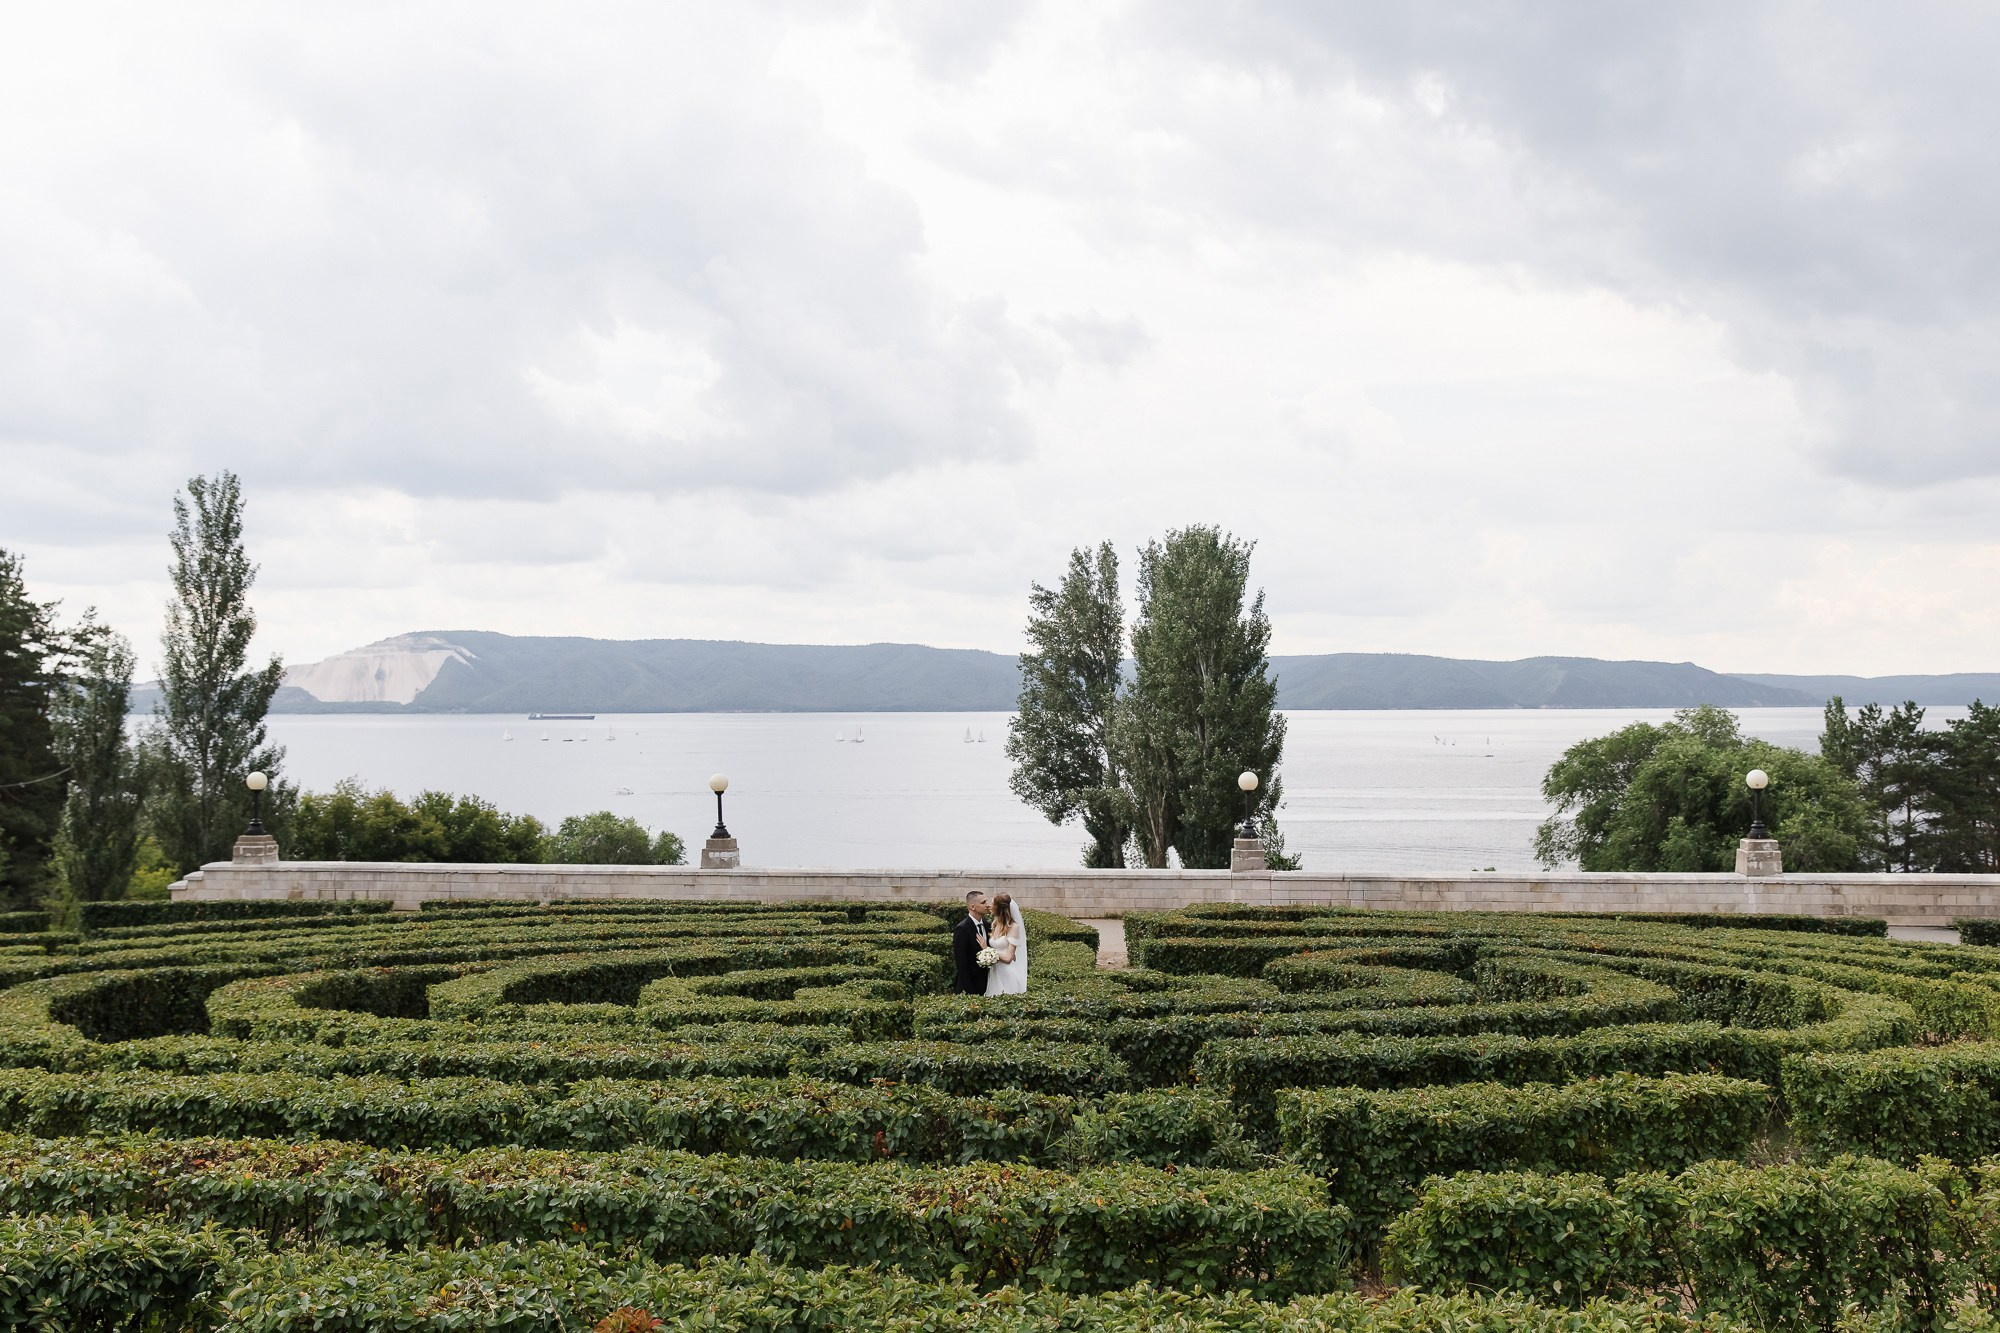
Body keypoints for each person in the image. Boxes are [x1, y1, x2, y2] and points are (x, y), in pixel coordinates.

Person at [984, 892, 1028, 995]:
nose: (989, 906)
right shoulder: (995, 923)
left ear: (999, 908)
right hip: (994, 971)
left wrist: (988, 950)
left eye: (992, 904)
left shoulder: (1013, 927)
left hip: (1006, 973)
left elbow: (1008, 958)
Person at [951, 890, 991, 995]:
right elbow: (961, 963)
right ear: (972, 907)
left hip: (988, 983)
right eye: (983, 903)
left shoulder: (988, 926)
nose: (987, 905)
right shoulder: (962, 929)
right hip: (970, 987)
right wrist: (970, 992)